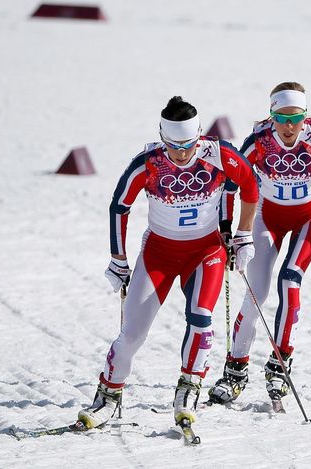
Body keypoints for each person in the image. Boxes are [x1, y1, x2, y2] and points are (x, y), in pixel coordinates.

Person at [78, 96, 259, 428]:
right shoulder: (148, 162)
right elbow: (119, 205)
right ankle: (108, 394)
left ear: (199, 135)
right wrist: (118, 260)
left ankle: (188, 388)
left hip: (206, 252)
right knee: (132, 334)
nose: (181, 153)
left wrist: (244, 234)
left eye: (188, 144)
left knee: (201, 318)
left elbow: (250, 185)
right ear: (163, 137)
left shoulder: (219, 155)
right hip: (159, 254)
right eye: (173, 145)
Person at [208, 82, 311, 404]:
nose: (289, 126)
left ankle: (280, 366)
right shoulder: (259, 142)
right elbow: (229, 184)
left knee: (290, 283)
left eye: (296, 118)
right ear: (272, 116)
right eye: (281, 117)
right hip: (269, 218)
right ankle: (235, 369)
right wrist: (229, 230)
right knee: (256, 294)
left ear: (306, 116)